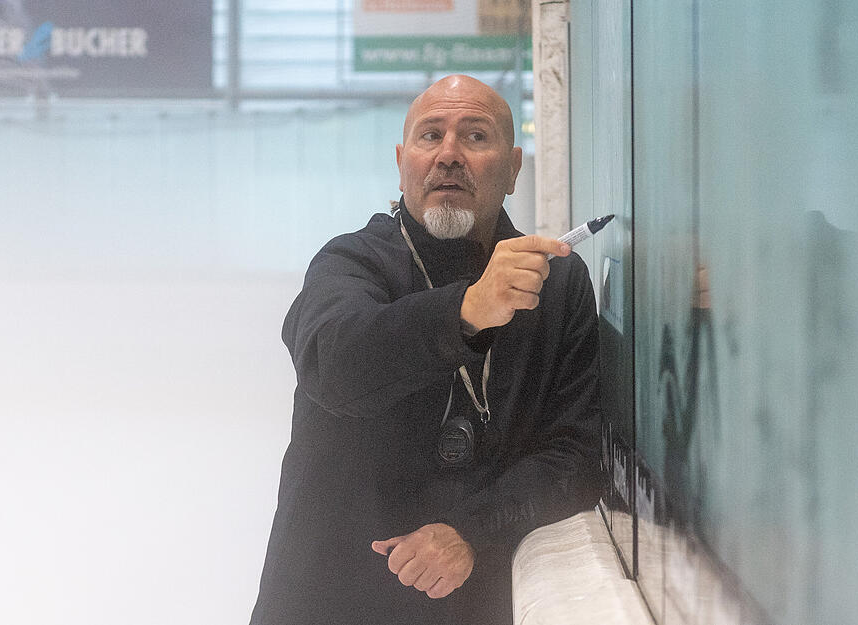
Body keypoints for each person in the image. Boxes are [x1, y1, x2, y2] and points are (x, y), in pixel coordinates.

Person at [250, 74, 601, 625]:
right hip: (331, 599)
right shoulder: (349, 261)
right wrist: (466, 311)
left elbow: (577, 454)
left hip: (476, 604)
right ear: (402, 163)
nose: (449, 155)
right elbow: (335, 366)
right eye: (430, 135)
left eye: (476, 137)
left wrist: (472, 529)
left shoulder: (556, 283)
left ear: (514, 169)